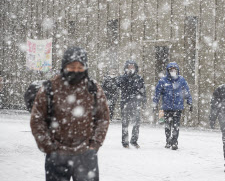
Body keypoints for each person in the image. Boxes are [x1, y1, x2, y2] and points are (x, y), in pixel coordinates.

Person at [30, 47, 110, 181]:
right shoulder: (50, 87)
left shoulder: (93, 88)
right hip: (57, 155)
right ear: (64, 66)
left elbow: (103, 118)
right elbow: (37, 120)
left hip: (86, 154)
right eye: (72, 66)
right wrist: (49, 147)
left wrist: (93, 146)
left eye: (80, 67)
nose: (76, 70)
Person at [153, 62, 193, 150]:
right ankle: (168, 140)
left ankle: (174, 141)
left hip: (178, 107)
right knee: (167, 125)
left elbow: (186, 92)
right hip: (166, 107)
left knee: (176, 125)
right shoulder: (163, 81)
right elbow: (157, 93)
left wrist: (189, 102)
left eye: (174, 70)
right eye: (171, 70)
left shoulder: (181, 80)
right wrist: (155, 103)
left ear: (177, 70)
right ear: (168, 71)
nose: (173, 71)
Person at [107, 60, 147, 148]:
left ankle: (134, 141)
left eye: (133, 67)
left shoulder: (139, 78)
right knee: (125, 124)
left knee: (136, 123)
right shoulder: (122, 78)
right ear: (126, 68)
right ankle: (125, 142)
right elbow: (116, 86)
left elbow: (143, 90)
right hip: (125, 103)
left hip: (136, 103)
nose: (131, 68)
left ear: (135, 68)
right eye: (129, 67)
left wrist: (144, 101)